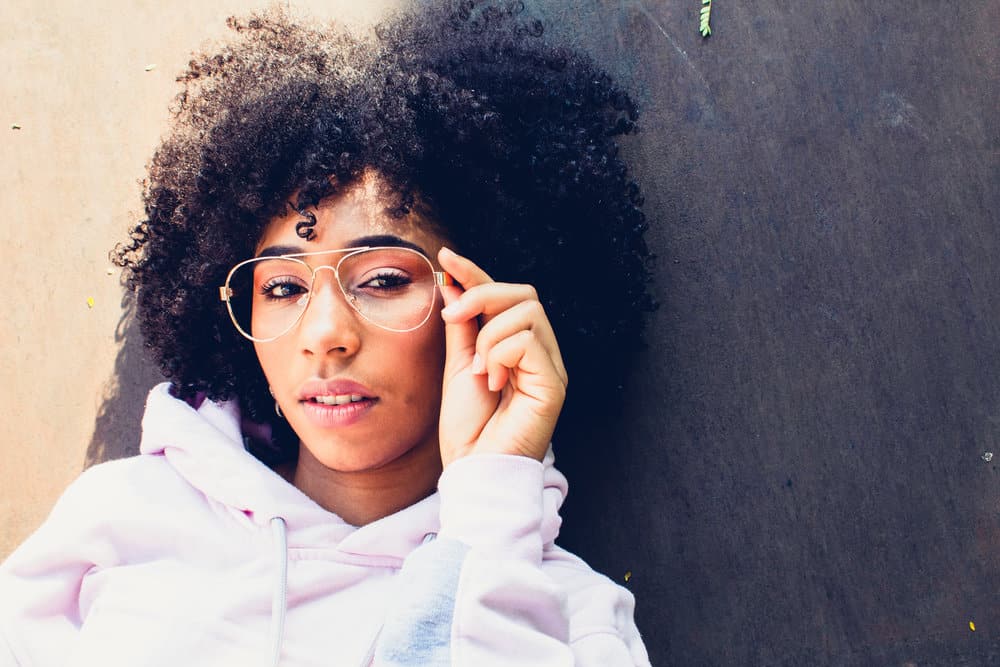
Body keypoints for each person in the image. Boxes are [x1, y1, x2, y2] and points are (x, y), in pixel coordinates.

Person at [0, 2, 654, 665]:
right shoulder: (117, 524)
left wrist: (489, 509)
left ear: (484, 299)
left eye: (382, 280)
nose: (325, 334)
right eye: (282, 288)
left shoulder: (576, 623)